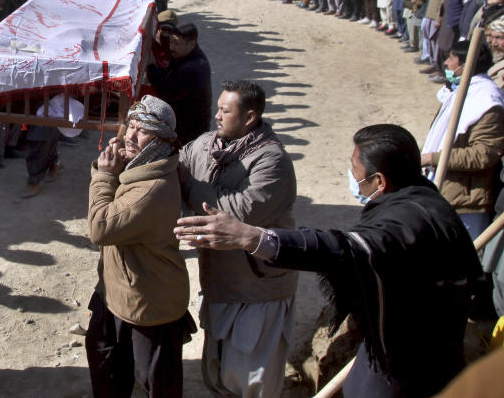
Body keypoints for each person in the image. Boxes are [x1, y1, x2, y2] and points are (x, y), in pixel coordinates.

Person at [175, 124, 483, 398]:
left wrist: (254, 238)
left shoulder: (402, 226)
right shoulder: (427, 199)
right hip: (417, 345)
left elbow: (341, 248)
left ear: (379, 181)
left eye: (354, 167)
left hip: (406, 366)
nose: (350, 174)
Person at [177, 79, 297, 398]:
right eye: (217, 109)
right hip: (218, 280)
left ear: (249, 118)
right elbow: (178, 166)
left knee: (253, 377)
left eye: (225, 111)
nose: (217, 116)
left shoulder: (273, 161)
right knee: (219, 371)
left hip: (257, 287)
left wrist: (191, 188)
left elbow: (240, 212)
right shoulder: (205, 144)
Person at [86, 95, 195, 398]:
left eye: (142, 130)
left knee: (156, 383)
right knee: (105, 360)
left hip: (149, 301)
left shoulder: (152, 188)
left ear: (161, 140)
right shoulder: (141, 167)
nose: (131, 136)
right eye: (130, 126)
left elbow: (101, 227)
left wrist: (105, 176)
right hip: (118, 290)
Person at [421, 39, 504, 239]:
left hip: (466, 201)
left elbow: (483, 154)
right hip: (445, 192)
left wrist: (433, 158)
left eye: (451, 58)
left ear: (466, 64)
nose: (447, 63)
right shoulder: (460, 91)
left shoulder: (486, 100)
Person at [146, 21, 212, 145]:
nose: (171, 47)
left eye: (177, 43)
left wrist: (150, 66)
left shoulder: (193, 68)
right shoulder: (188, 54)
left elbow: (163, 90)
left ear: (191, 44)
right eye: (171, 41)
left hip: (189, 132)